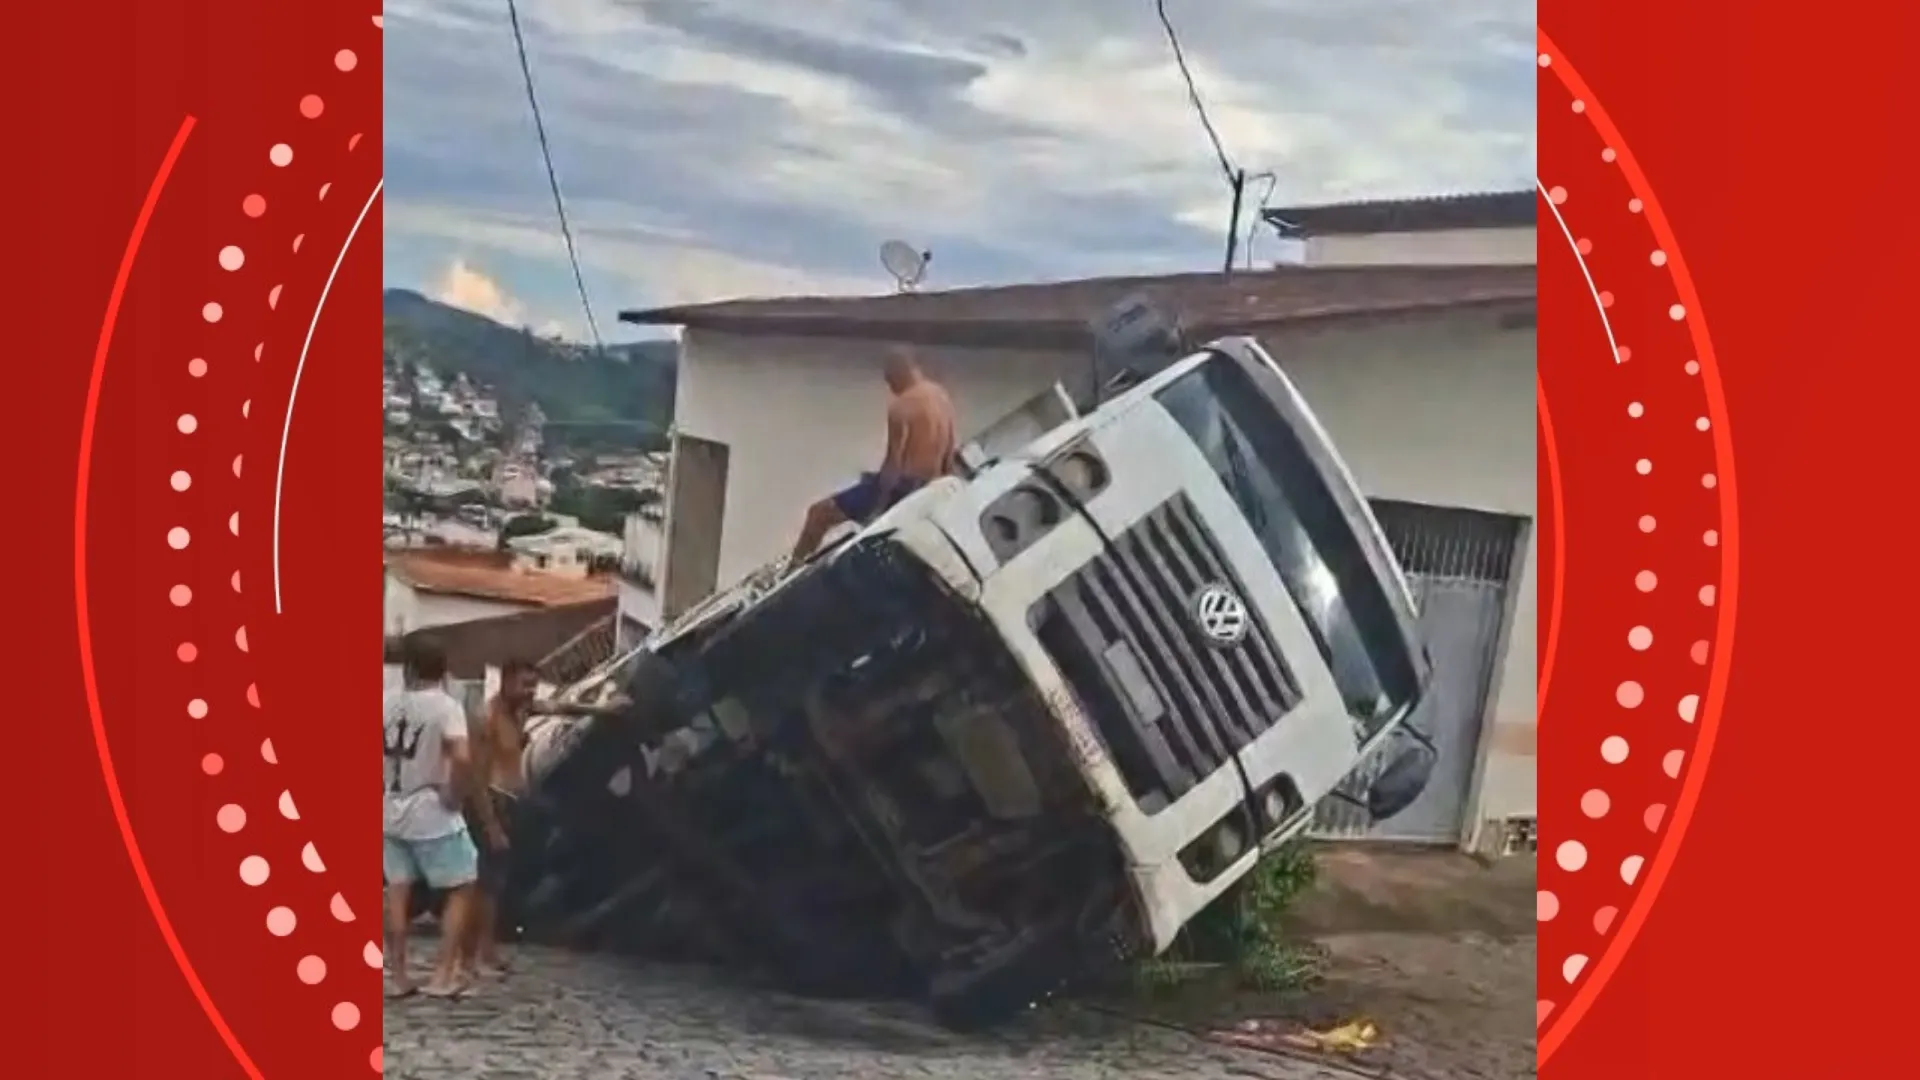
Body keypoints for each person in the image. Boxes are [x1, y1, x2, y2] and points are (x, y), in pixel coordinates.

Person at [789, 346, 958, 562]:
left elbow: (893, 465)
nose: (890, 388)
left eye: (889, 382)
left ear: (897, 375)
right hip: (930, 485)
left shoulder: (901, 408)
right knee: (865, 479)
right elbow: (950, 450)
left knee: (818, 513)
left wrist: (877, 512)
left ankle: (794, 566)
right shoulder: (939, 395)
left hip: (902, 489)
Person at [382, 640, 482, 999]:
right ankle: (443, 974)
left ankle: (398, 975)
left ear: (408, 668)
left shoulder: (385, 702)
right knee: (463, 883)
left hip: (390, 808)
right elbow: (462, 757)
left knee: (397, 891)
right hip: (431, 810)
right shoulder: (446, 707)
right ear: (442, 670)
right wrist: (454, 795)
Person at [461, 657, 539, 979]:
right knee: (484, 886)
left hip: (511, 804)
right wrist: (491, 823)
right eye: (524, 685)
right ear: (506, 683)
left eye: (533, 685)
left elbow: (554, 706)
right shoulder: (487, 718)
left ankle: (487, 952)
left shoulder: (519, 711)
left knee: (496, 885)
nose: (530, 692)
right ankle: (474, 957)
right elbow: (476, 777)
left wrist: (601, 711)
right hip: (491, 803)